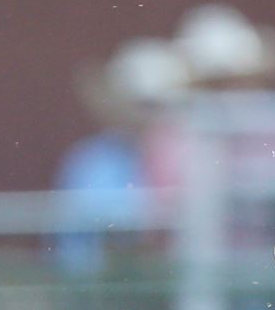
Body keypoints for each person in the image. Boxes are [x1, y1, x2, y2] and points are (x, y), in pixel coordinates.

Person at [55, 38, 184, 272]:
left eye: (158, 106)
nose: (149, 117)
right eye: (143, 105)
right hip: (104, 285)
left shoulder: (188, 155)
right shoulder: (92, 159)